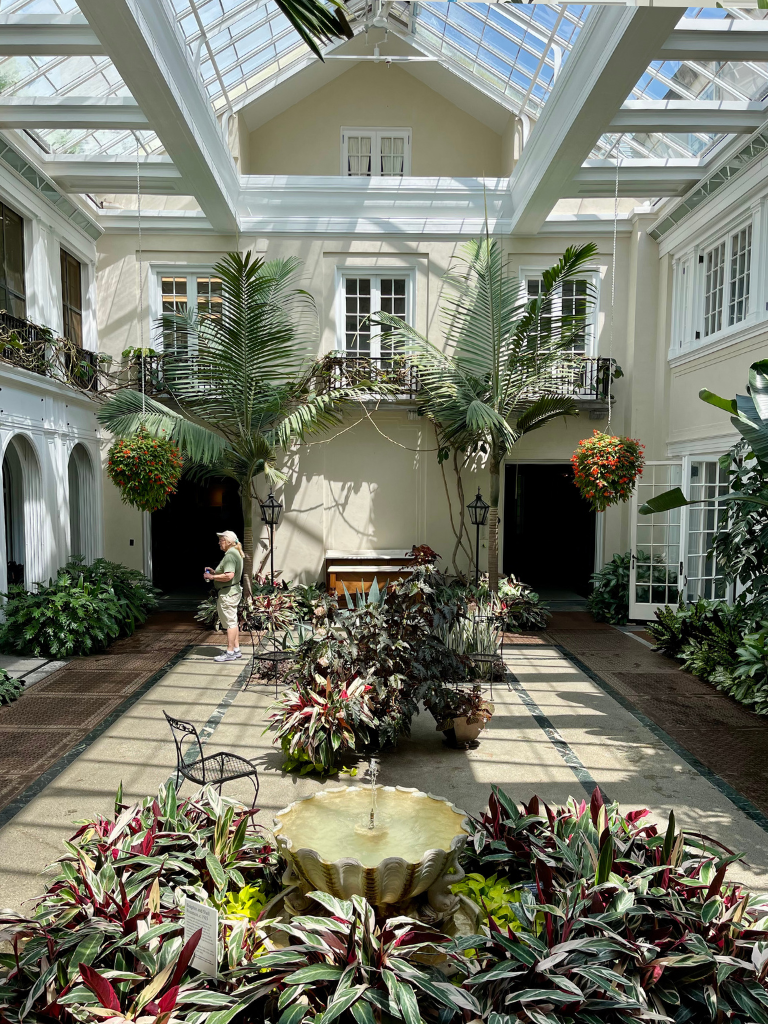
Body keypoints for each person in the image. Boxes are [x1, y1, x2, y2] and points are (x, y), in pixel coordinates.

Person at [204, 530, 244, 663]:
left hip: (228, 593)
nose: (219, 543)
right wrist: (215, 572)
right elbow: (228, 573)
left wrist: (212, 576)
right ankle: (236, 650)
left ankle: (230, 652)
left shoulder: (230, 555)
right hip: (233, 591)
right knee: (233, 621)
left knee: (230, 623)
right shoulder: (235, 553)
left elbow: (229, 575)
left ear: (228, 542)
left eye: (221, 540)